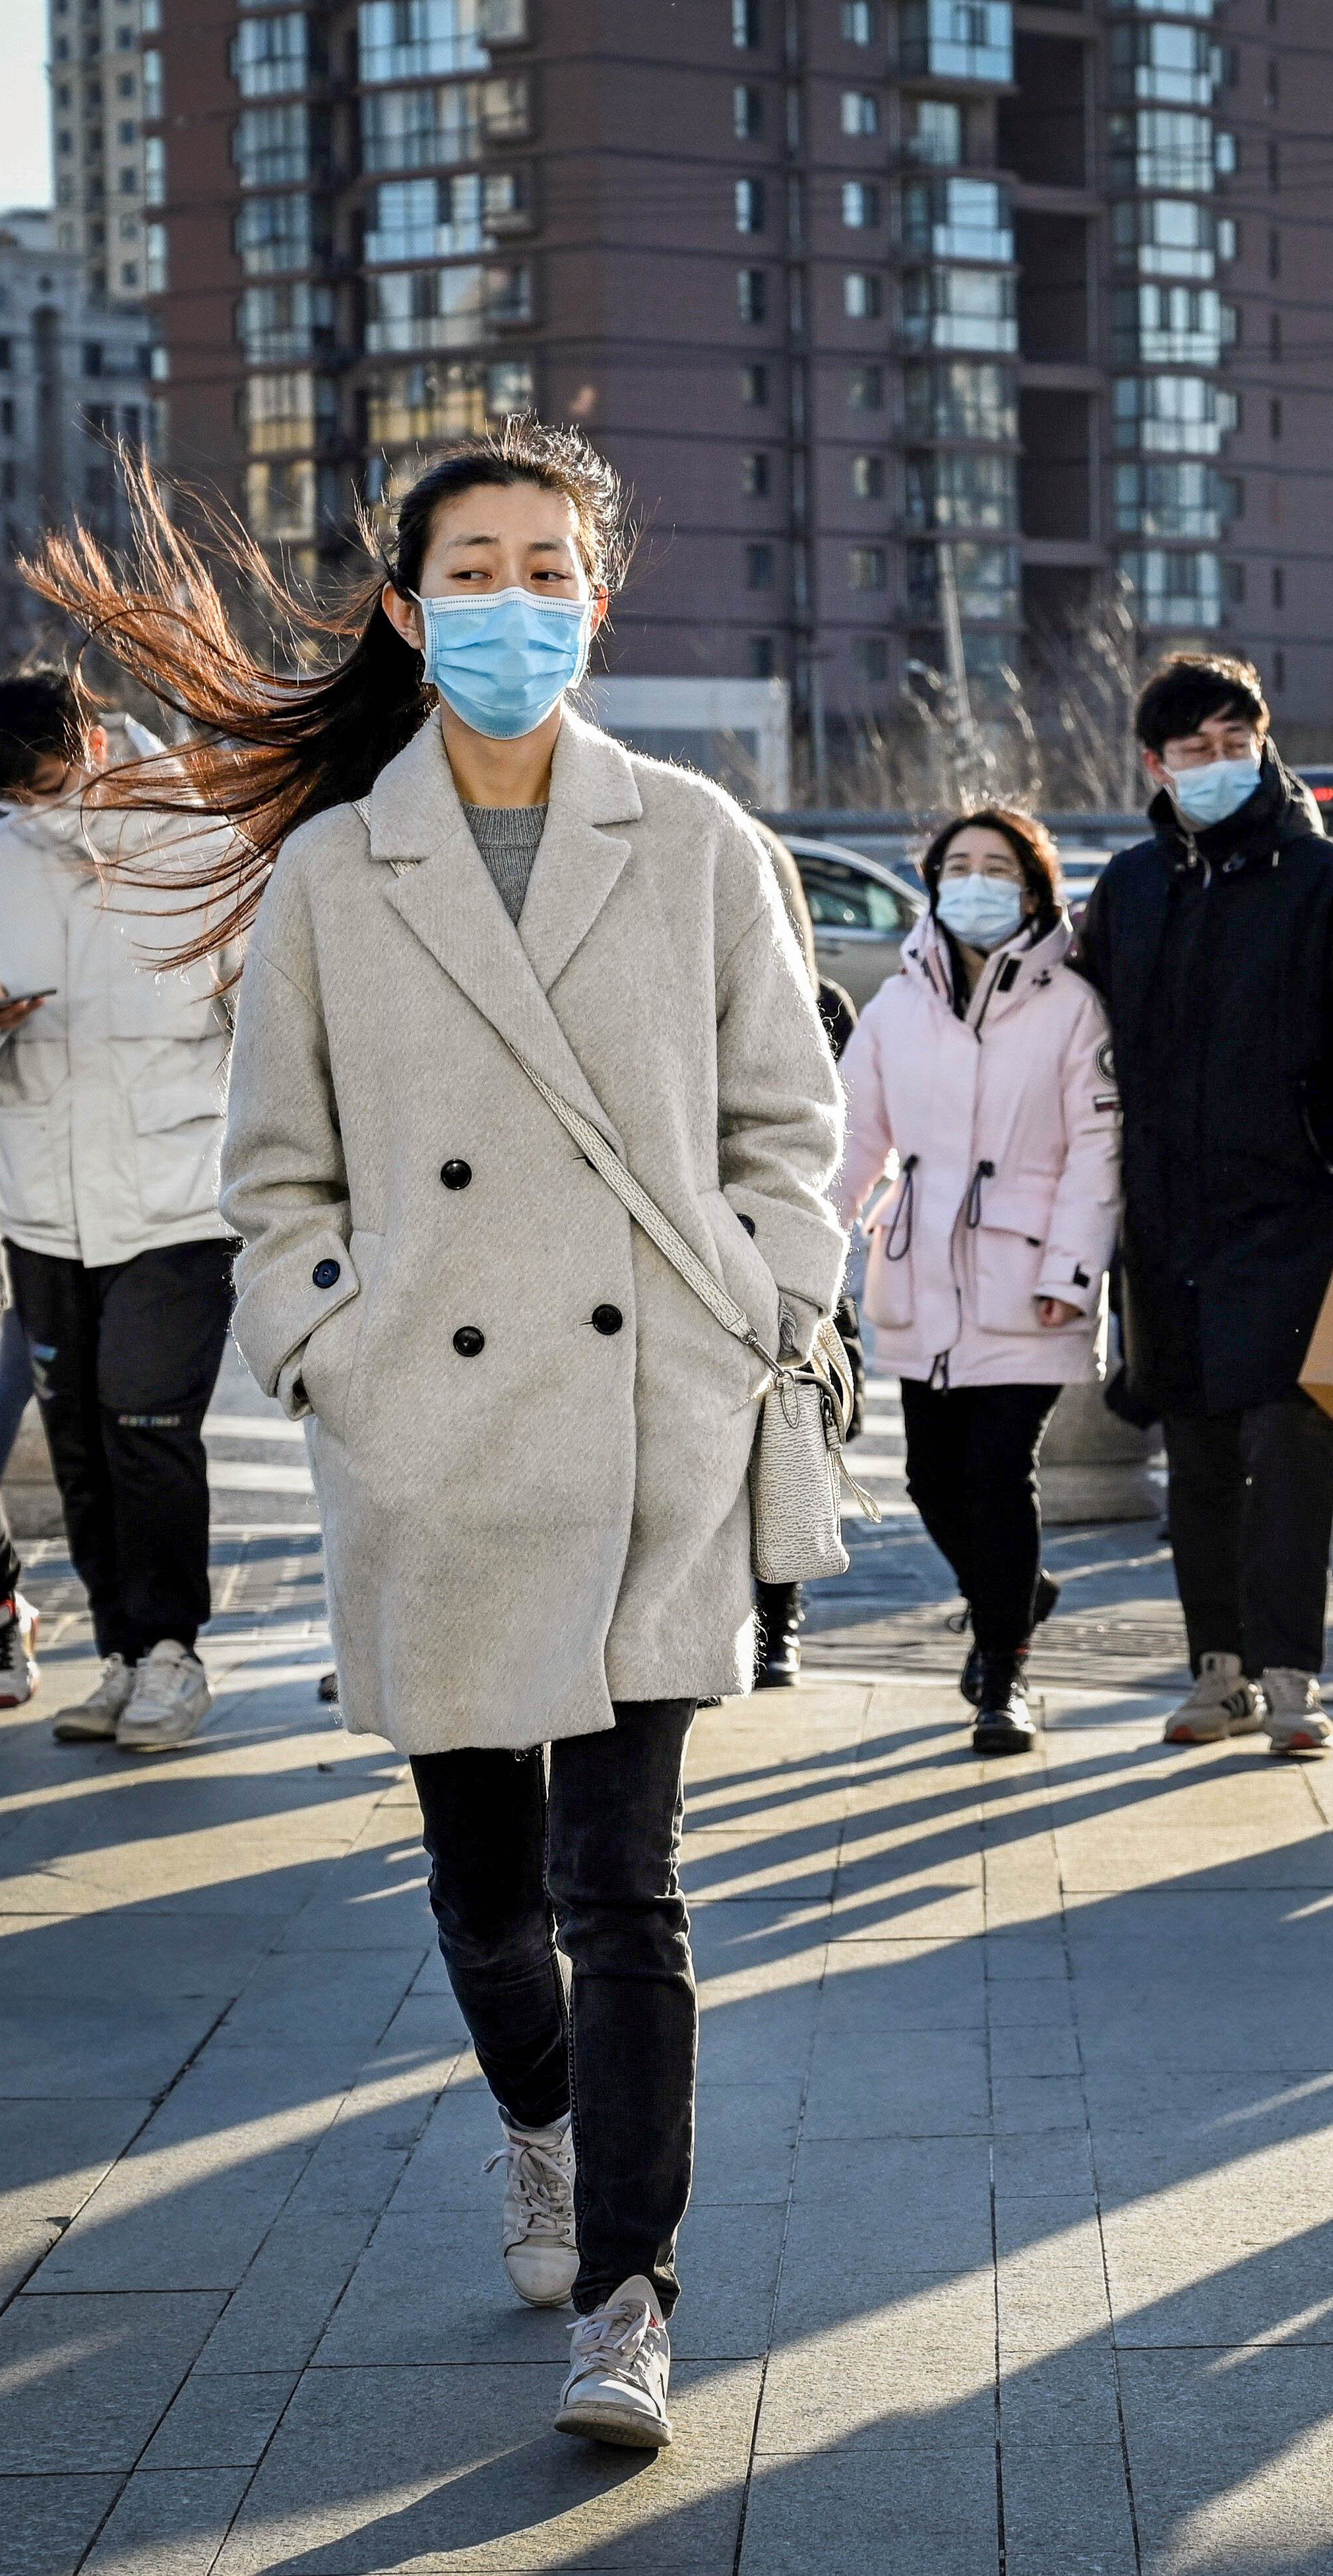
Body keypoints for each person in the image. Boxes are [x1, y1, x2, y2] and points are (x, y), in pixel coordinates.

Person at [31, 423, 846, 2453]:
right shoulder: (335, 869)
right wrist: (343, 1353)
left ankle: (631, 2289)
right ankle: (541, 2122)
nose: (513, 601)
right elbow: (274, 1171)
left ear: (598, 594)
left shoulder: (700, 842)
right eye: (472, 570)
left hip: (647, 1425)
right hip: (438, 1448)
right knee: (486, 1901)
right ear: (409, 611)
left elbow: (789, 1126)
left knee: (624, 1887)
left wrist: (762, 1306)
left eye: (547, 566)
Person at [1070, 652, 1333, 1758]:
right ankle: (1214, 1671)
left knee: (1291, 1439)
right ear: (1153, 766)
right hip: (1166, 1219)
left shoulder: (1323, 879)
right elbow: (1077, 1043)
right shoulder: (1129, 888)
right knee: (1197, 1447)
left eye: (1235, 744)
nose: (1216, 766)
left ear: (1261, 746)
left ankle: (1291, 1675)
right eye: (1192, 750)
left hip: (1293, 1208)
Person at [834, 807, 1116, 1756]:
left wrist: (1071, 1273)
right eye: (960, 864)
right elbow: (853, 1141)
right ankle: (1015, 1590)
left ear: (1034, 889)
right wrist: (802, 1245)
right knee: (930, 1478)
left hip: (1027, 1276)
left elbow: (1096, 1148)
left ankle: (1004, 1668)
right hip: (920, 1273)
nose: (977, 880)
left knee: (998, 1474)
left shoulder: (1071, 1004)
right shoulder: (896, 1006)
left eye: (999, 865)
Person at [0, 676, 247, 1744]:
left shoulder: (200, 850)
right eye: (20, 796)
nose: (42, 808)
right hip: (42, 1207)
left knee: (146, 1427)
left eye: (54, 782)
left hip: (178, 1207)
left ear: (95, 740)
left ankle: (172, 1655)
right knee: (81, 1445)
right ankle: (115, 1651)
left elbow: (278, 1023)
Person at [753, 966, 861, 1691]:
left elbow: (833, 1137)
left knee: (786, 1438)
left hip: (781, 1251)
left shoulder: (817, 1000)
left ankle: (780, 1621)